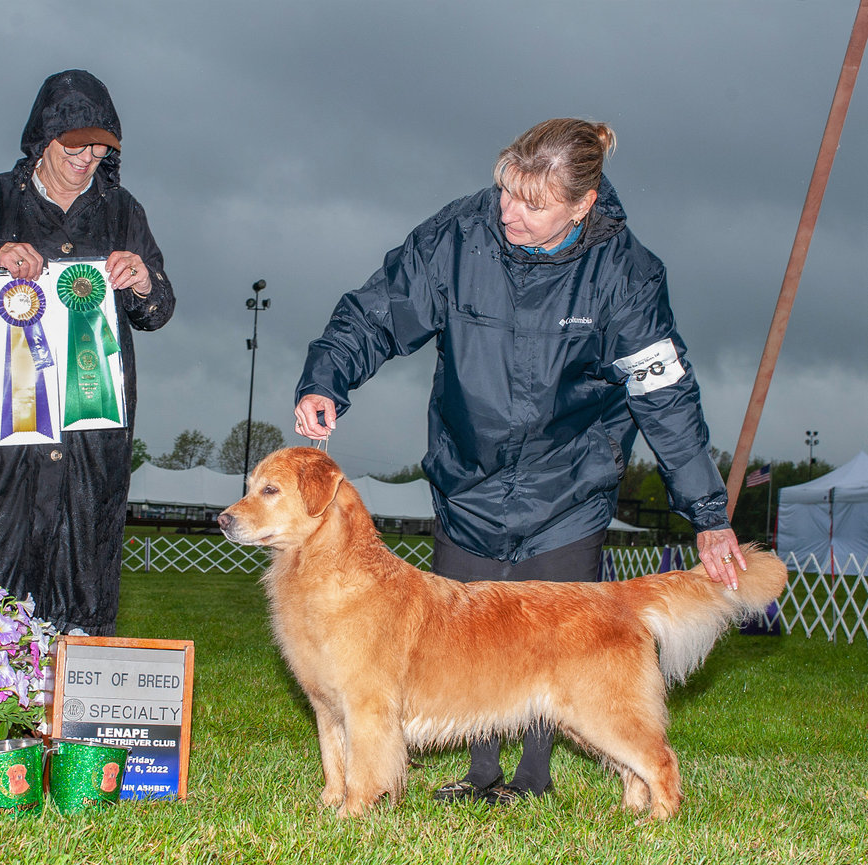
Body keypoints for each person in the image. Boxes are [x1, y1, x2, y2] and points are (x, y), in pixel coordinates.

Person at [293, 118, 745, 806]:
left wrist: (707, 512)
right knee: (461, 640)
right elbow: (379, 309)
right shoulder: (459, 235)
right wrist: (327, 375)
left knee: (556, 646)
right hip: (467, 476)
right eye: (506, 191)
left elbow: (665, 397)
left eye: (532, 204)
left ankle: (532, 779)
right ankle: (479, 775)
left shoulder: (626, 273)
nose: (509, 211)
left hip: (569, 486)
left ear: (580, 205)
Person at [0, 70, 175, 635]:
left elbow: (159, 308)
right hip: (2, 439)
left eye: (100, 147)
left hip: (90, 442)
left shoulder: (124, 210)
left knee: (84, 575)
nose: (87, 157)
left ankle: (75, 713)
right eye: (74, 144)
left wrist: (143, 282)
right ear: (43, 139)